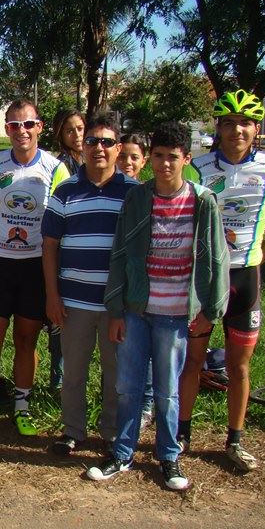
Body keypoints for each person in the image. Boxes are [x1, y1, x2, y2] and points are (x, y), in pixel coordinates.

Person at [87, 121, 229, 490]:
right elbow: (120, 254)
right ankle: (122, 453)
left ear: (187, 159)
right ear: (150, 159)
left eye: (174, 158)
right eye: (160, 157)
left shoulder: (202, 201)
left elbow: (216, 258)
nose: (166, 165)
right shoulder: (138, 199)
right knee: (128, 387)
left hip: (177, 314)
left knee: (167, 390)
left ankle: (169, 457)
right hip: (136, 311)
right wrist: (116, 310)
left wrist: (211, 311)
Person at [178, 89, 265, 472]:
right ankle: (182, 433)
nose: (236, 130)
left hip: (246, 277)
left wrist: (253, 259)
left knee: (240, 366)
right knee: (192, 360)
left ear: (256, 128)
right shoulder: (198, 168)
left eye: (244, 123)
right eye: (228, 123)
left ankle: (235, 439)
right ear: (219, 127)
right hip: (205, 279)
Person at [0, 99, 70, 444]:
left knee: (26, 342)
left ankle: (22, 408)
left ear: (39, 127)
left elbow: (66, 221)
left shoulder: (55, 169)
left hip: (36, 268)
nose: (20, 131)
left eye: (27, 124)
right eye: (13, 125)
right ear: (5, 129)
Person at [42, 113, 136, 455]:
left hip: (116, 306)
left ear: (118, 148)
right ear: (83, 146)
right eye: (92, 141)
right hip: (74, 302)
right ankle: (73, 431)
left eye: (107, 142)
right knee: (73, 373)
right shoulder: (64, 191)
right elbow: (49, 246)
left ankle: (110, 433)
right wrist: (52, 296)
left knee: (115, 376)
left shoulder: (134, 192)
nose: (99, 148)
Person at [118, 133, 155, 429]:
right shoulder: (115, 189)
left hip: (142, 280)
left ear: (144, 161)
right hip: (117, 280)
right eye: (123, 156)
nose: (127, 162)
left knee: (144, 348)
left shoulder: (146, 193)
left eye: (134, 157)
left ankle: (146, 403)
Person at [47, 109, 85, 394]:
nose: (77, 135)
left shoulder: (96, 160)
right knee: (59, 319)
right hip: (62, 245)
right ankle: (57, 378)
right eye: (70, 130)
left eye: (80, 128)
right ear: (60, 134)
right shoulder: (61, 165)